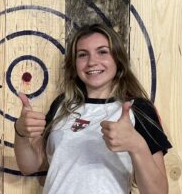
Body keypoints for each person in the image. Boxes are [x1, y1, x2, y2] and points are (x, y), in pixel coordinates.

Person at [14, 24, 172, 193]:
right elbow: (29, 166)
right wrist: (21, 132)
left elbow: (158, 192)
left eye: (102, 51)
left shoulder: (137, 109)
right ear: (74, 64)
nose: (92, 62)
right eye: (83, 55)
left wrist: (137, 145)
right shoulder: (62, 105)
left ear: (118, 59)